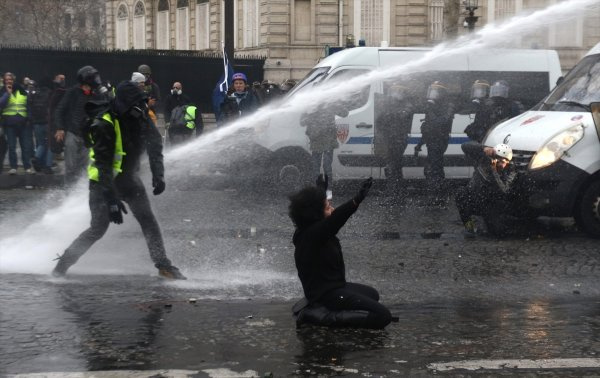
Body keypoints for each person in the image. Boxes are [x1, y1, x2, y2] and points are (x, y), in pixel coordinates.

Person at [52, 80, 185, 279]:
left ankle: (163, 265)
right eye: (135, 103)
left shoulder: (140, 115)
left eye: (141, 102)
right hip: (103, 183)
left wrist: (158, 174)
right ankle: (61, 267)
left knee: (148, 221)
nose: (140, 107)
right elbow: (103, 165)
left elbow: (155, 144)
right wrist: (112, 200)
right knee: (98, 228)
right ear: (123, 102)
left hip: (129, 180)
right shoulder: (105, 122)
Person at [289, 175, 392, 329]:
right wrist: (355, 201)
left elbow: (318, 212)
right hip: (326, 293)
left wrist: (320, 191)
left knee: (373, 294)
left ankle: (315, 305)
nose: (332, 208)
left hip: (335, 287)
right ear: (315, 213)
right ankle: (319, 316)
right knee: (383, 316)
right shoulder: (313, 234)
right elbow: (336, 219)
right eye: (327, 207)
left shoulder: (311, 228)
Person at [455, 141, 520, 238]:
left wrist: (494, 171)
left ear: (508, 161)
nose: (499, 164)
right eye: (497, 159)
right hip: (474, 196)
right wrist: (484, 148)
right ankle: (469, 226)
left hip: (490, 203)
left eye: (503, 161)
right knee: (461, 193)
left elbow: (503, 190)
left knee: (497, 232)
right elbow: (464, 146)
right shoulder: (483, 160)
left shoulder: (511, 170)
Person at [55, 66, 105, 186]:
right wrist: (60, 128)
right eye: (94, 77)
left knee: (85, 167)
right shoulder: (72, 92)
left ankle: (80, 192)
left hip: (88, 136)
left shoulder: (96, 94)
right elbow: (60, 110)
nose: (97, 79)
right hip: (73, 133)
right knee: (71, 166)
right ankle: (68, 192)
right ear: (86, 78)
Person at [419, 80, 456, 195]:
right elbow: (427, 127)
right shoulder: (432, 106)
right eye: (432, 91)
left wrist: (430, 111)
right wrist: (420, 143)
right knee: (433, 167)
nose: (433, 95)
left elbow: (441, 122)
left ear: (442, 93)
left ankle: (436, 195)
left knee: (435, 168)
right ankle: (435, 193)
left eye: (436, 92)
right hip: (431, 140)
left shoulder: (448, 106)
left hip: (439, 140)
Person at [378, 83, 415, 195]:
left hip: (399, 139)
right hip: (391, 138)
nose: (393, 95)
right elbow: (380, 120)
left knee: (392, 167)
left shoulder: (407, 105)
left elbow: (400, 117)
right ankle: (398, 191)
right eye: (392, 92)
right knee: (395, 166)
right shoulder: (392, 106)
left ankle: (393, 194)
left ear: (402, 94)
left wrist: (388, 111)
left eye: (396, 92)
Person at [300, 101, 349, 184]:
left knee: (322, 166)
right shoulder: (313, 105)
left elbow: (344, 113)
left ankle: (323, 189)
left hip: (325, 140)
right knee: (320, 167)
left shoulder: (328, 103)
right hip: (319, 139)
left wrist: (336, 103)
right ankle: (323, 188)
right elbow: (302, 122)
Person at [0, 72, 33, 175]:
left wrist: (29, 118)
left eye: (10, 79)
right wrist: (7, 93)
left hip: (23, 123)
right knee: (11, 146)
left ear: (14, 80)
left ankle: (27, 167)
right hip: (9, 124)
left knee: (25, 147)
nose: (9, 81)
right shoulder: (3, 91)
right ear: (4, 81)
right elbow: (1, 104)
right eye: (7, 80)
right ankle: (13, 167)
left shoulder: (22, 90)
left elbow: (28, 105)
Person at [29, 77, 54, 174]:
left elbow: (30, 105)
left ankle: (37, 158)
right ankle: (48, 166)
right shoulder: (51, 93)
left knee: (41, 144)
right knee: (50, 145)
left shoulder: (36, 93)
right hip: (48, 123)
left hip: (37, 123)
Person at [48, 74, 67, 157]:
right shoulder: (52, 91)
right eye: (61, 79)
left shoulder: (63, 91)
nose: (62, 81)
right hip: (53, 119)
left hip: (60, 118)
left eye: (63, 79)